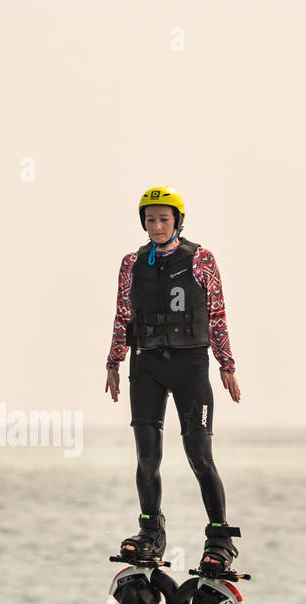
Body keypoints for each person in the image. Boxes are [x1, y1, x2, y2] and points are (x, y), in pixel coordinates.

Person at [104, 186, 242, 575]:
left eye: (164, 219)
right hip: (145, 365)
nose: (158, 225)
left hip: (190, 367)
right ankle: (150, 532)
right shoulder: (131, 263)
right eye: (151, 219)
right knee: (147, 458)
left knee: (199, 455)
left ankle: (219, 539)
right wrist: (114, 362)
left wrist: (226, 365)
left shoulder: (200, 259)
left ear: (178, 221)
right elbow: (122, 315)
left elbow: (217, 315)